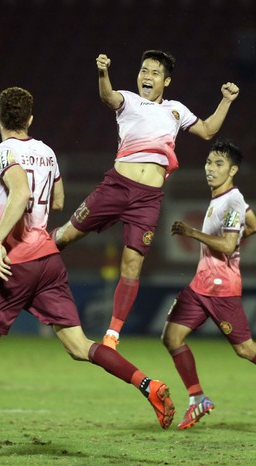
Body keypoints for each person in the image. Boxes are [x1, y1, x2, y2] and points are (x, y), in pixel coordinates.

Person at [0, 87, 175, 457]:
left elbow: (21, 193)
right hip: (49, 261)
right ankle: (147, 384)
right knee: (79, 346)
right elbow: (56, 201)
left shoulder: (0, 151)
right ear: (30, 119)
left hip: (15, 263)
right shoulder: (46, 152)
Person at [51, 50, 240, 349]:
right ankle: (25, 263)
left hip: (147, 199)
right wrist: (103, 72)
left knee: (132, 264)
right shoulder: (128, 99)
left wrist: (226, 101)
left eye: (154, 72)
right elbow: (107, 97)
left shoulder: (176, 110)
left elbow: (206, 131)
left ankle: (112, 335)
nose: (146, 76)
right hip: (116, 186)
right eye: (143, 70)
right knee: (64, 237)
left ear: (166, 80)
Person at [162, 140, 256, 431]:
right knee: (171, 336)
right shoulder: (223, 199)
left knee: (245, 350)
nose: (210, 169)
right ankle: (197, 398)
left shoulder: (232, 201)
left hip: (221, 288)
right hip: (200, 284)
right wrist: (236, 237)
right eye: (208, 163)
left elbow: (228, 245)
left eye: (219, 164)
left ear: (233, 170)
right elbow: (255, 226)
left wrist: (192, 232)